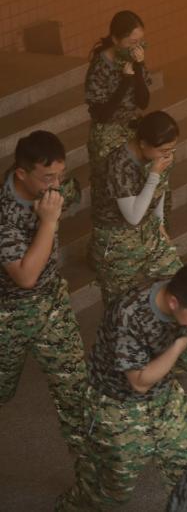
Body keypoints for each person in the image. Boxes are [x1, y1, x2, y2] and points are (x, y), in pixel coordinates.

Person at [57, 262, 187, 510]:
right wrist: (181, 343)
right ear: (173, 303)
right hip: (117, 406)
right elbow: (139, 383)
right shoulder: (129, 313)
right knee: (110, 493)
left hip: (166, 398)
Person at [0, 131, 87, 455]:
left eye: (60, 174)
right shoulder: (4, 213)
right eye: (48, 177)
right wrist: (48, 222)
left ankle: (91, 474)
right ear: (22, 173)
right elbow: (25, 276)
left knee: (76, 392)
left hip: (52, 304)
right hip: (8, 314)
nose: (56, 184)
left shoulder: (55, 187)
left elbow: (72, 191)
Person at [88, 110, 181, 307]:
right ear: (143, 143)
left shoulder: (158, 157)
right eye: (163, 150)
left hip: (149, 231)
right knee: (121, 307)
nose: (168, 154)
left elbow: (159, 190)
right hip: (117, 242)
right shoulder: (119, 164)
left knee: (180, 286)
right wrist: (154, 174)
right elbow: (133, 216)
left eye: (172, 148)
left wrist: (160, 224)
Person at [84, 10, 152, 172]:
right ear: (115, 39)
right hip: (108, 136)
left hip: (133, 130)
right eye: (132, 42)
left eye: (140, 41)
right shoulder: (100, 66)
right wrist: (125, 81)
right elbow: (102, 114)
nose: (137, 47)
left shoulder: (135, 59)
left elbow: (143, 102)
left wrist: (138, 66)